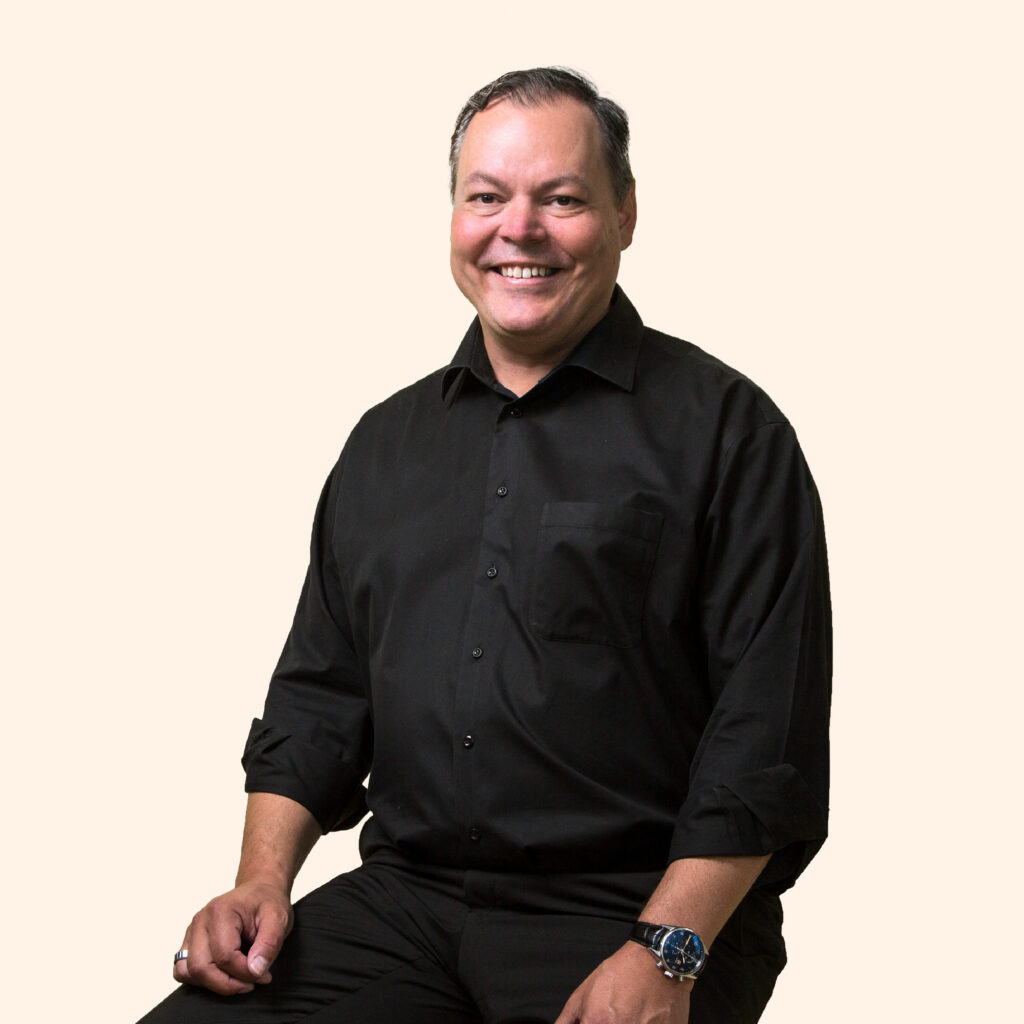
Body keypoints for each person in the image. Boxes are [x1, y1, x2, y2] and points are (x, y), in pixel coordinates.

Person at [140, 67, 831, 1024]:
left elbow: (765, 740)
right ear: (455, 217)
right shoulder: (384, 446)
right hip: (408, 904)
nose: (520, 229)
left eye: (563, 199)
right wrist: (260, 882)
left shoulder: (731, 435)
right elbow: (319, 698)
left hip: (637, 909)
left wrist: (667, 953)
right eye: (487, 197)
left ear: (626, 214)